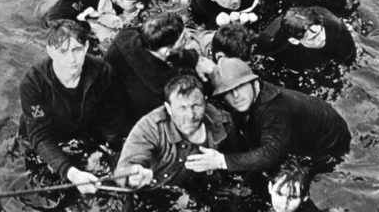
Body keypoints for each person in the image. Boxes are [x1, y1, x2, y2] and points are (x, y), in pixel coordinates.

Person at [185, 57, 350, 176]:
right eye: (227, 92)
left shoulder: (275, 110)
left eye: (240, 87)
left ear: (254, 83)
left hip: (330, 150)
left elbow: (271, 153)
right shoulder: (257, 94)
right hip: (305, 130)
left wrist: (221, 161)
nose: (235, 96)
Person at [19, 20, 126, 194]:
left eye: (77, 49)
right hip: (44, 139)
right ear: (50, 51)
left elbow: (112, 120)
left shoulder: (103, 72)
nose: (72, 59)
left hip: (83, 131)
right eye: (63, 51)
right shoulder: (33, 82)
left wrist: (112, 155)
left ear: (86, 48)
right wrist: (72, 173)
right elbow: (39, 136)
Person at [114, 72, 237, 192]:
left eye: (196, 106)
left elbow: (235, 159)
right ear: (168, 108)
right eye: (182, 108)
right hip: (157, 190)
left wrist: (221, 162)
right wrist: (133, 176)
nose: (190, 115)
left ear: (205, 102)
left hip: (198, 188)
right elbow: (124, 169)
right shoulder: (150, 127)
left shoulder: (223, 122)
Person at [105, 12, 214, 129]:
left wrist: (195, 59)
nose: (189, 36)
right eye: (183, 39)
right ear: (165, 52)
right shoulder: (160, 88)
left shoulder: (126, 36)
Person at [255, 5, 356, 70]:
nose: (322, 38)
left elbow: (348, 55)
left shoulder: (335, 25)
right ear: (294, 41)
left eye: (321, 31)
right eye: (313, 38)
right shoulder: (270, 41)